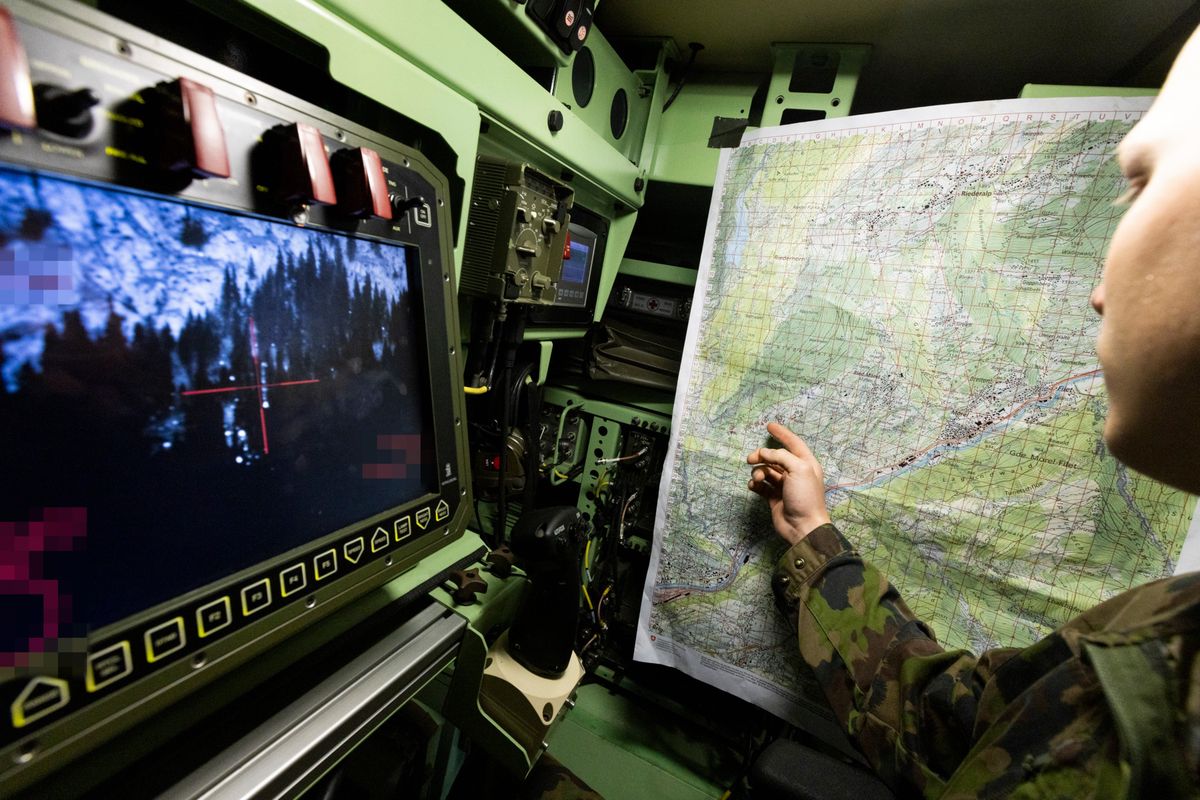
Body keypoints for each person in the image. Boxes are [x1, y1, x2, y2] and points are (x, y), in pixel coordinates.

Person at [745, 25, 1200, 800]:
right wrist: (812, 537)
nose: (1098, 291)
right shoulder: (1169, 633)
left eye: (1142, 183)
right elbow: (949, 725)